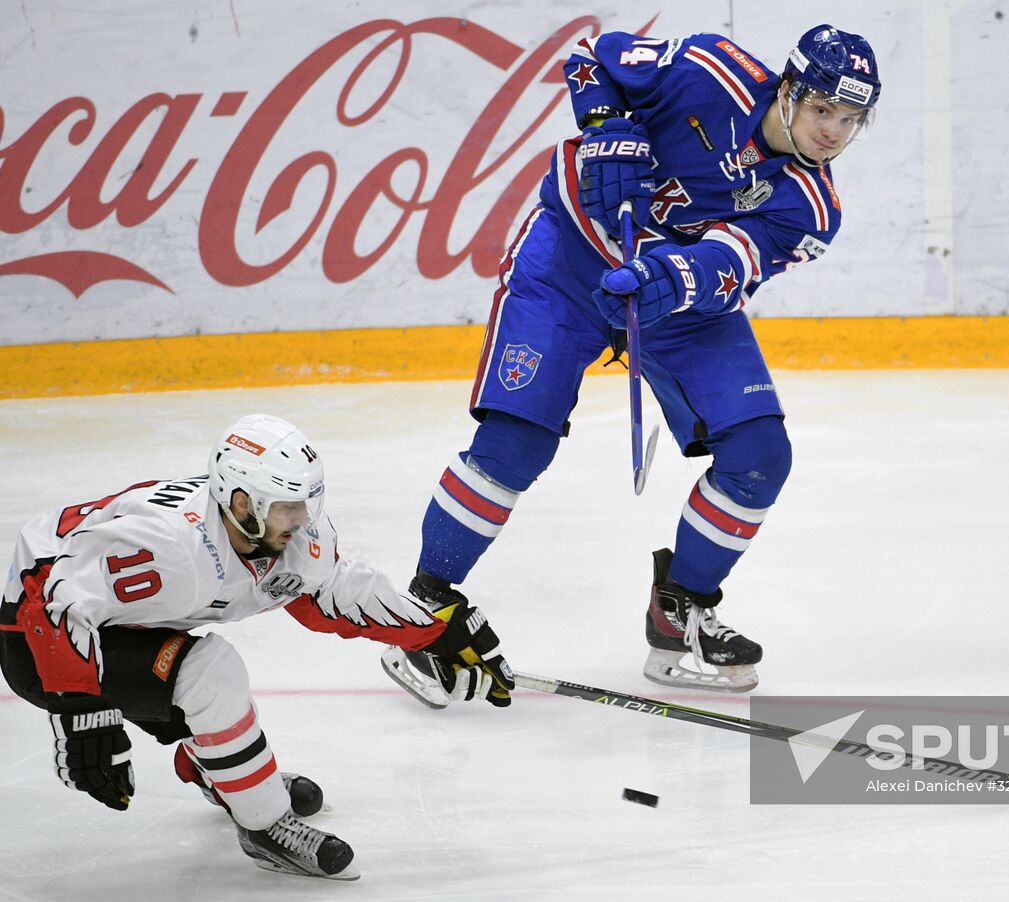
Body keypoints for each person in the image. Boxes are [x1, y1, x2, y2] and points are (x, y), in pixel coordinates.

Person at [380, 24, 880, 697]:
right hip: (571, 259)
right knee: (514, 445)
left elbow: (735, 262)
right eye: (823, 110)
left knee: (761, 453)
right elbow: (591, 56)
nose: (833, 133)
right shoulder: (709, 69)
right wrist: (607, 124)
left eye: (850, 120)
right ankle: (423, 613)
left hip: (674, 299)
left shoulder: (812, 207)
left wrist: (673, 276)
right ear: (788, 89)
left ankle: (681, 610)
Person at [0, 414, 513, 881]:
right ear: (242, 502)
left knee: (196, 677)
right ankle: (266, 826)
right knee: (209, 671)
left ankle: (225, 772)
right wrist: (82, 712)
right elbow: (50, 596)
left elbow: (330, 594)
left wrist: (435, 632)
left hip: (128, 622)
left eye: (307, 503)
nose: (303, 520)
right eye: (289, 507)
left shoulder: (283, 536)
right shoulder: (169, 546)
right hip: (38, 638)